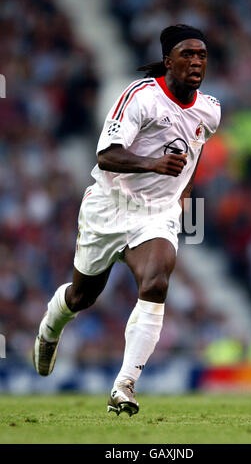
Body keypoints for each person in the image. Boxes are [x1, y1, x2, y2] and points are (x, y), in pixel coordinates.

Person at [33, 24, 221, 416]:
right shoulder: (139, 97)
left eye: (202, 55)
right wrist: (154, 163)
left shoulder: (211, 110)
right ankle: (52, 323)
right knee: (83, 297)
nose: (197, 61)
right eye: (187, 54)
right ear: (168, 61)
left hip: (157, 214)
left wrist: (183, 194)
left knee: (156, 282)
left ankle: (124, 386)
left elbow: (197, 147)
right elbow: (106, 155)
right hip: (110, 205)